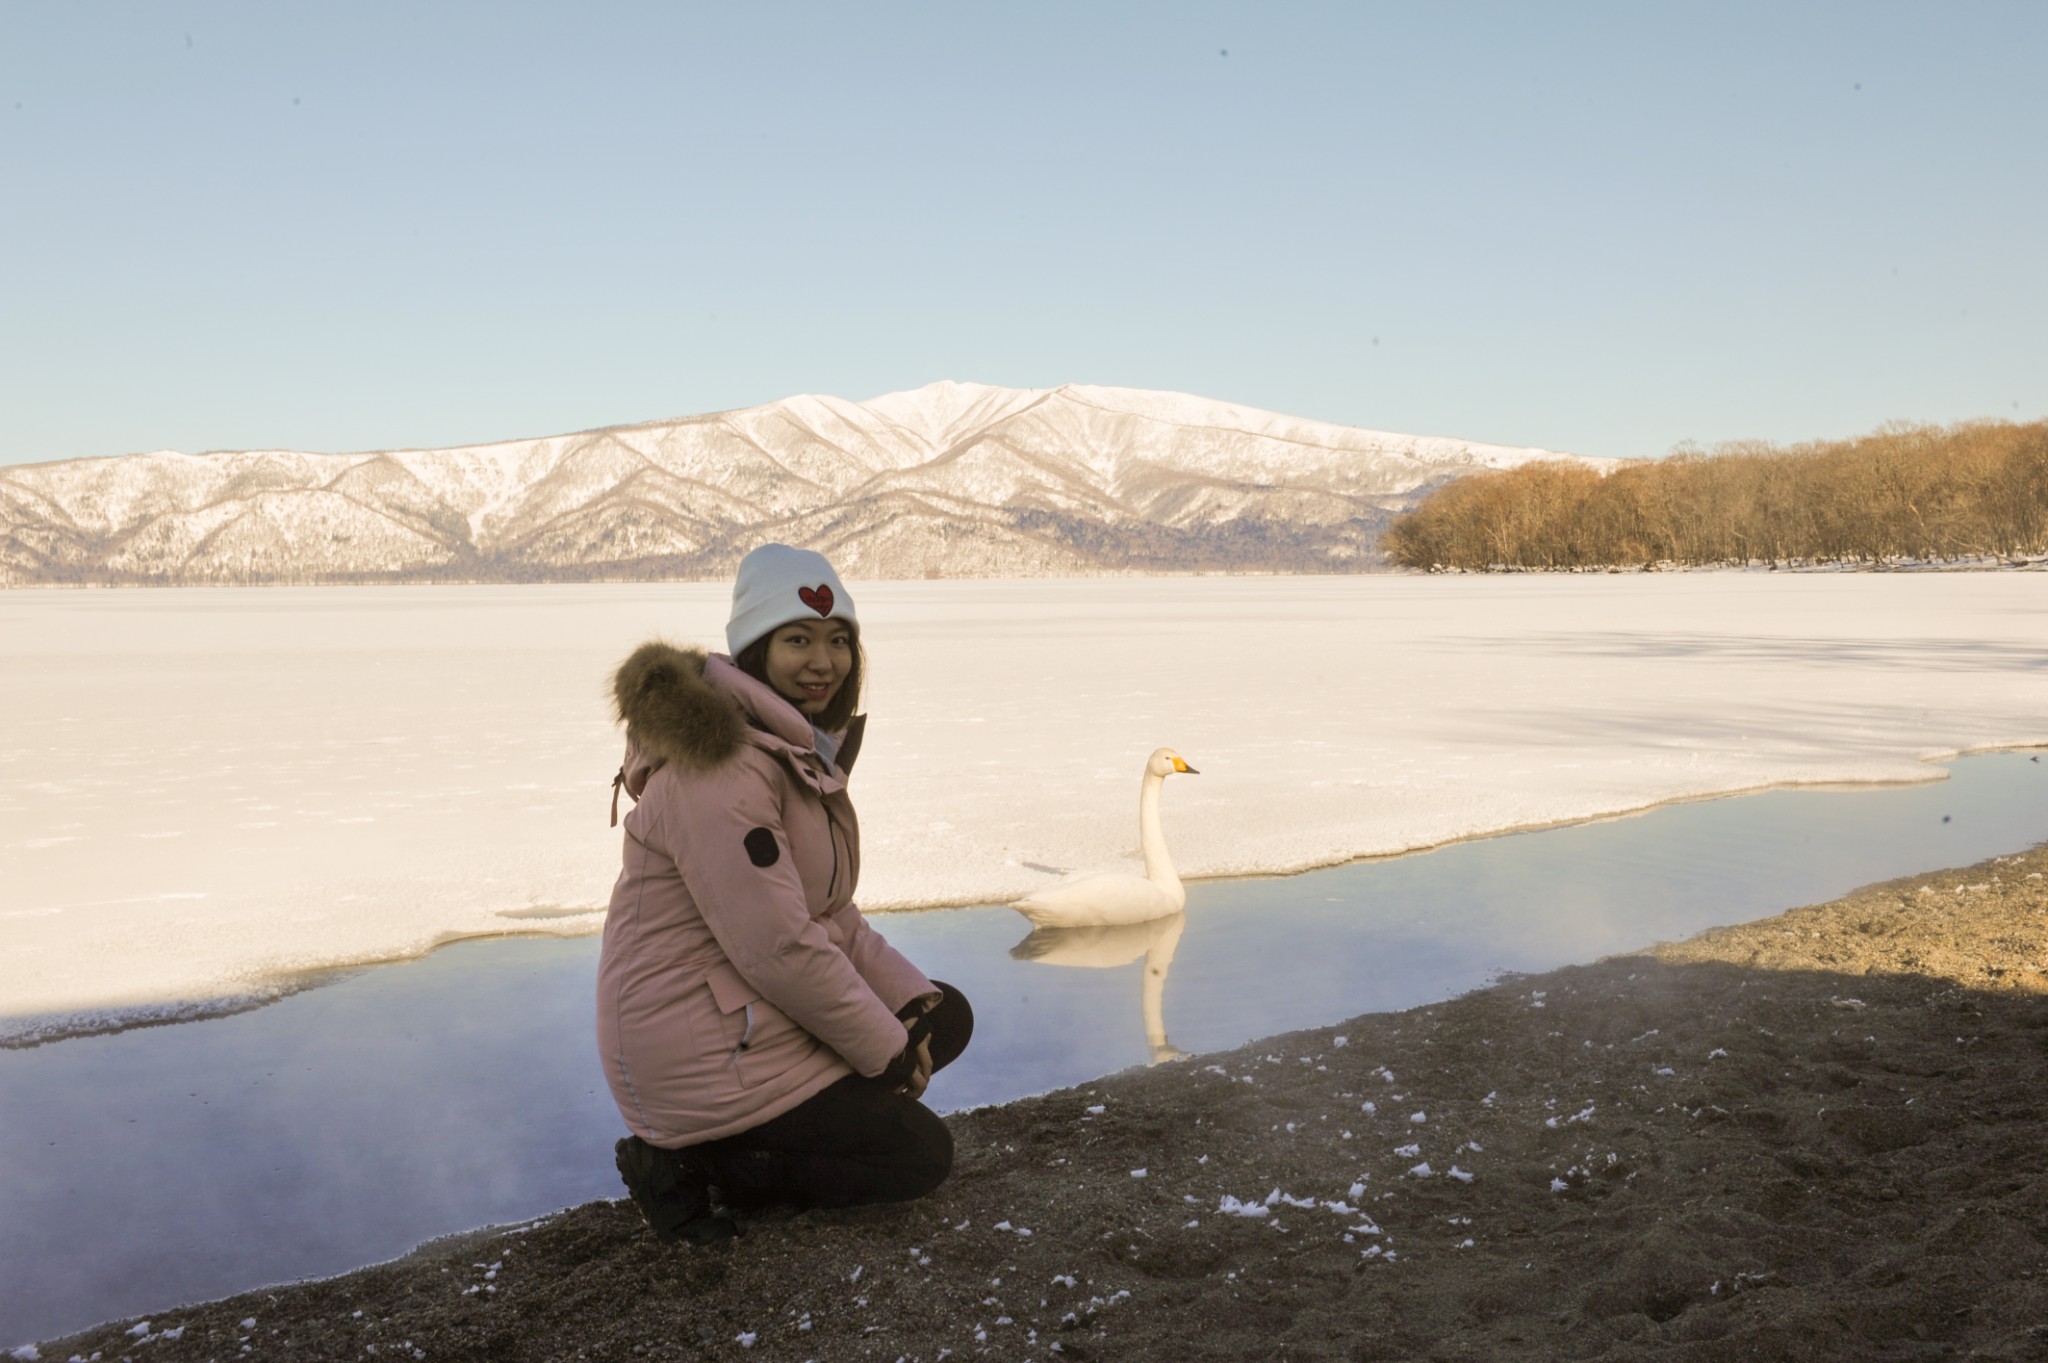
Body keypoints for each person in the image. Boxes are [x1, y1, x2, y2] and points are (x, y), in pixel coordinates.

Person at [597, 543, 973, 1244]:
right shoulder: (720, 770)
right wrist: (885, 1051)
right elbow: (780, 947)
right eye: (798, 639)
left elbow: (827, 915)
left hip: (742, 1011)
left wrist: (908, 1010)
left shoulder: (786, 747)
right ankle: (691, 1165)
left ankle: (777, 1132)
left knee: (944, 1016)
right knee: (917, 1155)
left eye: (838, 641)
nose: (823, 661)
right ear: (754, 652)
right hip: (697, 1048)